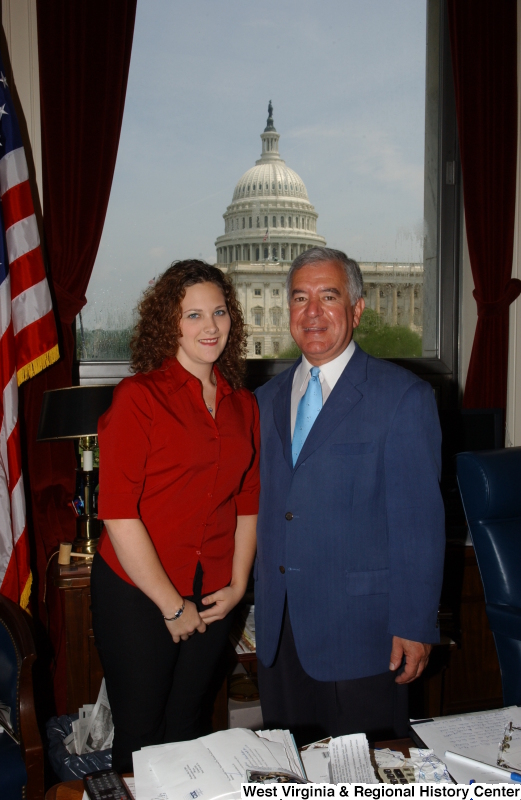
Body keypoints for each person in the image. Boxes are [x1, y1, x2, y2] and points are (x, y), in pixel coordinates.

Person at [254, 246, 445, 746]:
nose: (312, 312)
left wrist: (415, 622)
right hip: (281, 632)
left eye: (328, 296)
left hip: (366, 634)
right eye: (299, 298)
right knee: (289, 772)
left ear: (357, 310)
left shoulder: (402, 397)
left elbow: (418, 524)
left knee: (366, 775)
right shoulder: (263, 402)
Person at [90, 260, 259, 773]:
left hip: (212, 593)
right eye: (193, 315)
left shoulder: (243, 406)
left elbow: (248, 503)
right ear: (170, 325)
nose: (210, 327)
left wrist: (237, 585)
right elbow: (118, 516)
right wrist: (170, 606)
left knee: (188, 727)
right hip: (138, 594)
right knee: (141, 735)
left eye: (219, 312)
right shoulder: (139, 398)